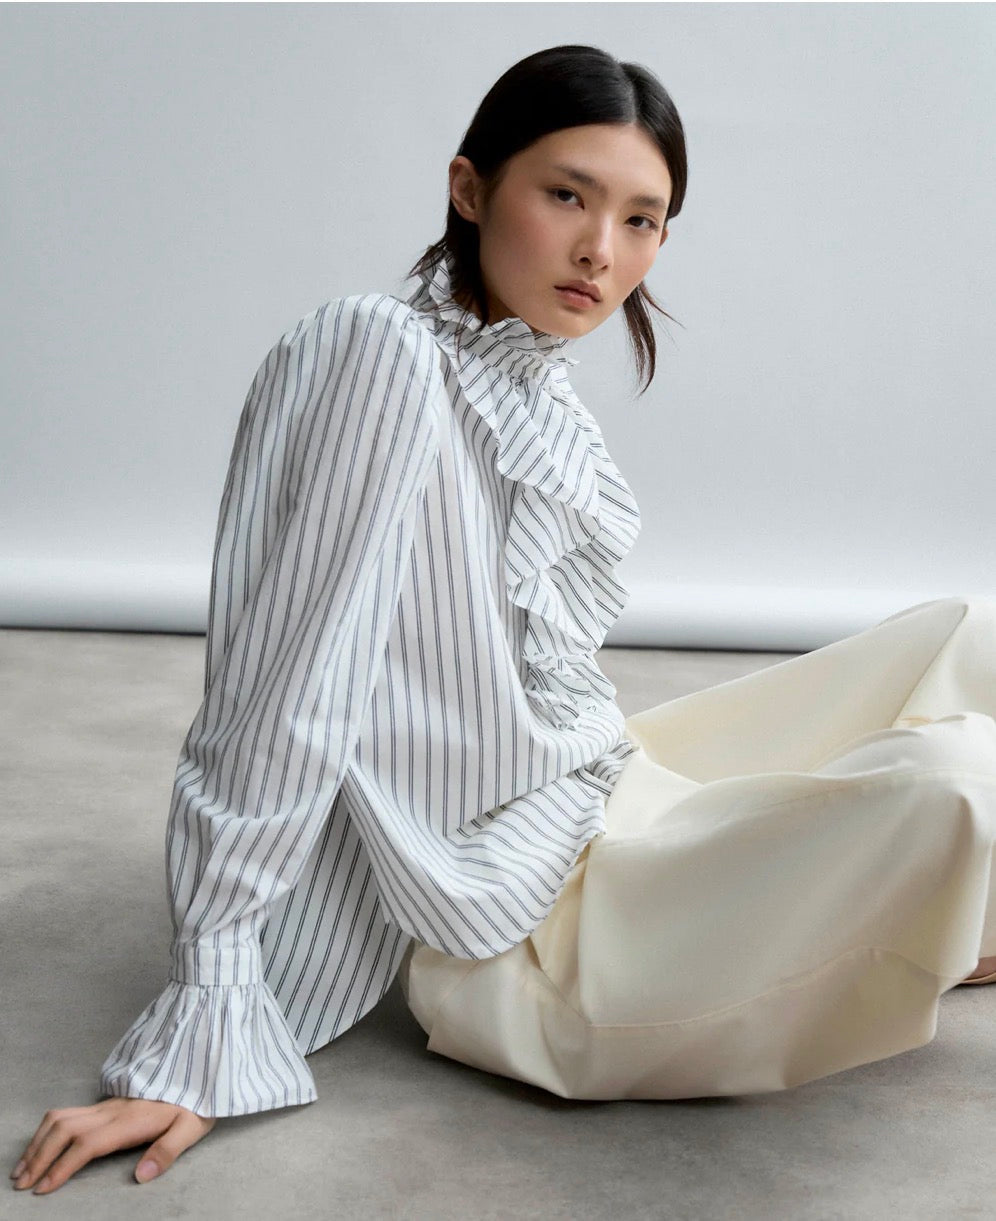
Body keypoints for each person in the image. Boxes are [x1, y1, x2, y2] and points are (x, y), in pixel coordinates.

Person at [11, 43, 996, 1197]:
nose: (601, 251)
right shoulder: (380, 352)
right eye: (567, 195)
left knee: (969, 635)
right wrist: (210, 1003)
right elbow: (280, 694)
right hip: (531, 932)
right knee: (951, 782)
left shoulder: (536, 391)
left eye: (641, 220)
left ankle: (938, 915)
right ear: (471, 189)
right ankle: (932, 908)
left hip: (597, 791)